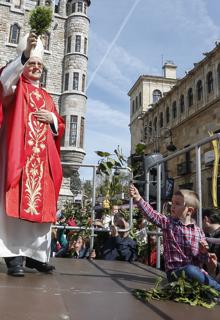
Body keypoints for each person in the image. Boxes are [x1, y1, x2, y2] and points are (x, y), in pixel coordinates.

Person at [0, 32, 65, 276]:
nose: (36, 67)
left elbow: (60, 124)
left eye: (39, 64)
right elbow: (3, 81)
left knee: (43, 209)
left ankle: (36, 256)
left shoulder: (47, 96)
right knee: (13, 204)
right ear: (24, 66)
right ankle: (14, 257)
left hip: (43, 161)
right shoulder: (15, 88)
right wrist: (25, 53)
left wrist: (54, 121)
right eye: (31, 63)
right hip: (19, 158)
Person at [129, 185, 220, 292]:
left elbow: (201, 259)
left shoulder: (199, 232)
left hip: (195, 274)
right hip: (175, 273)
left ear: (189, 211)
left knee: (197, 273)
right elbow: (152, 215)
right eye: (172, 202)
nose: (172, 206)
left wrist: (204, 251)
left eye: (177, 204)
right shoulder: (169, 223)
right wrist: (138, 199)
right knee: (190, 270)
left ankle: (214, 291)